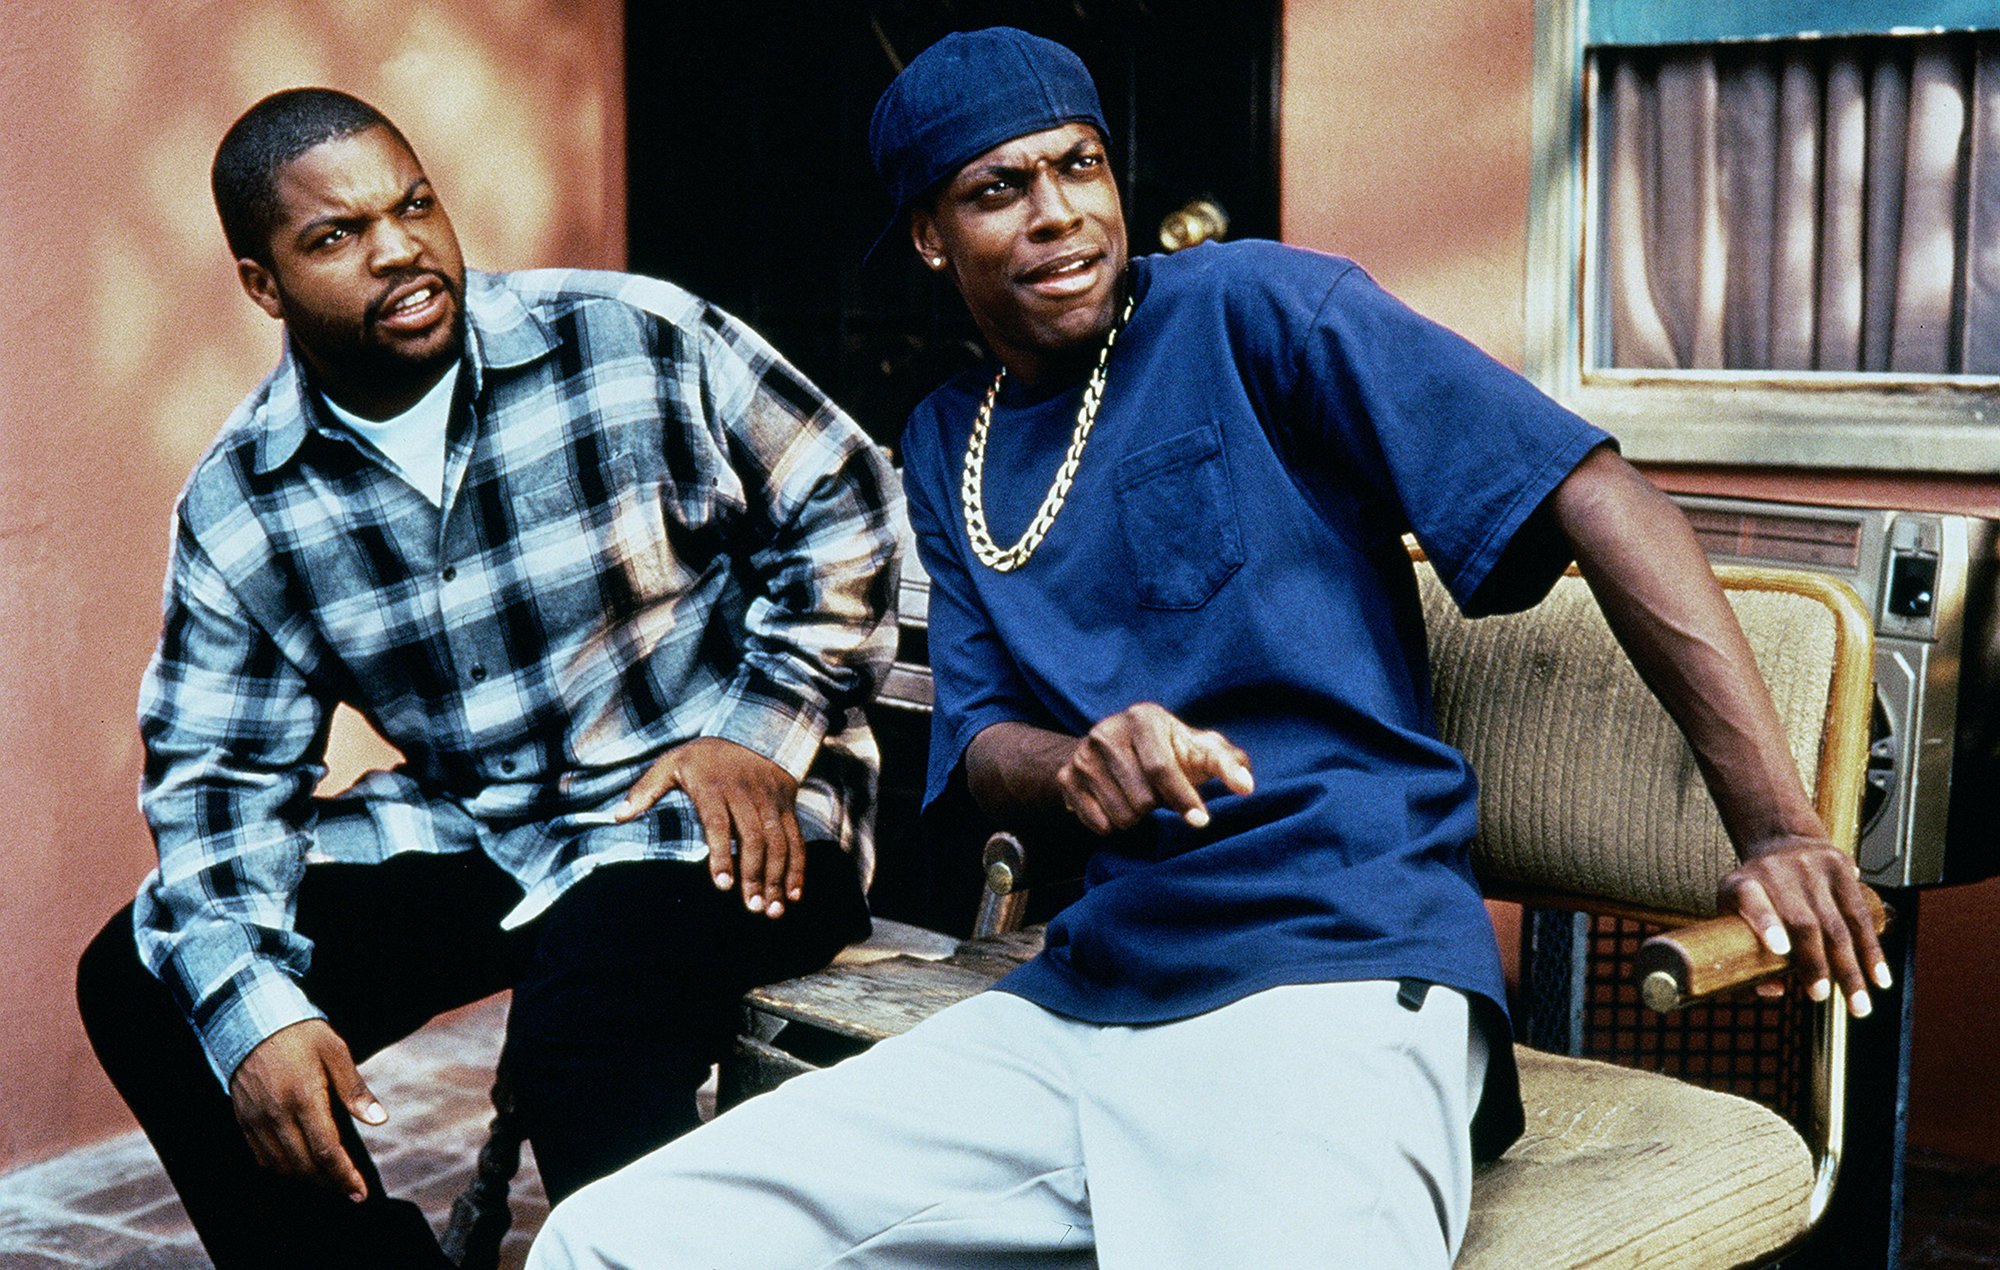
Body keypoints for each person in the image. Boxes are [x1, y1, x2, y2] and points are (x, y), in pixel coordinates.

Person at [529, 28, 1888, 1268]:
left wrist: (1774, 823)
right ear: (932, 238)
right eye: (999, 188)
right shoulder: (950, 438)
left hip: (1334, 971)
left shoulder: (1258, 308)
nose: (1058, 210)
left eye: (1079, 165)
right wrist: (1079, 766)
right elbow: (985, 739)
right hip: (1088, 992)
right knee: (613, 1238)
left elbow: (1598, 494)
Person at [73, 88, 900, 1269]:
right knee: (156, 985)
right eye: (336, 235)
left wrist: (762, 728)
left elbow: (846, 501)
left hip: (721, 812)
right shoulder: (243, 499)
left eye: (412, 205)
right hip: (490, 826)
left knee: (584, 1029)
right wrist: (256, 1015)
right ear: (264, 285)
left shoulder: (630, 336)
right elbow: (219, 783)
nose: (397, 249)